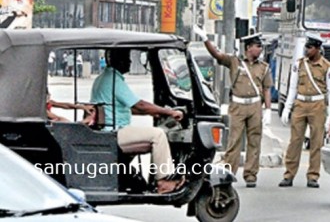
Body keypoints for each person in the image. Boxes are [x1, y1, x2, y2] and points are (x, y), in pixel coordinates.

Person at [91, 48, 185, 194]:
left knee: (154, 135)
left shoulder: (104, 78)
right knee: (158, 135)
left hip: (108, 130)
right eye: (126, 57)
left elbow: (127, 107)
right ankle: (163, 181)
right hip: (113, 133)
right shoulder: (113, 79)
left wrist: (153, 113)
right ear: (116, 59)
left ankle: (153, 179)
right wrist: (169, 112)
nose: (129, 61)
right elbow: (139, 105)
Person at [195, 26, 272, 188]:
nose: (259, 49)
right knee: (234, 141)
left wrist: (268, 109)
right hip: (237, 106)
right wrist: (205, 38)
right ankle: (228, 173)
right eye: (257, 46)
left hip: (255, 106)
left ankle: (251, 175)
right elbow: (216, 54)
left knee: (254, 141)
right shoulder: (234, 62)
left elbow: (266, 89)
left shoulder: (263, 67)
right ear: (249, 47)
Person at [279, 33, 330, 188]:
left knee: (316, 142)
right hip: (300, 103)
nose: (306, 50)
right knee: (295, 141)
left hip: (317, 105)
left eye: (310, 48)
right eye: (306, 47)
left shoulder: (327, 68)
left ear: (317, 49)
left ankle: (313, 176)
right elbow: (292, 87)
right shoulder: (299, 64)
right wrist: (287, 108)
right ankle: (289, 175)